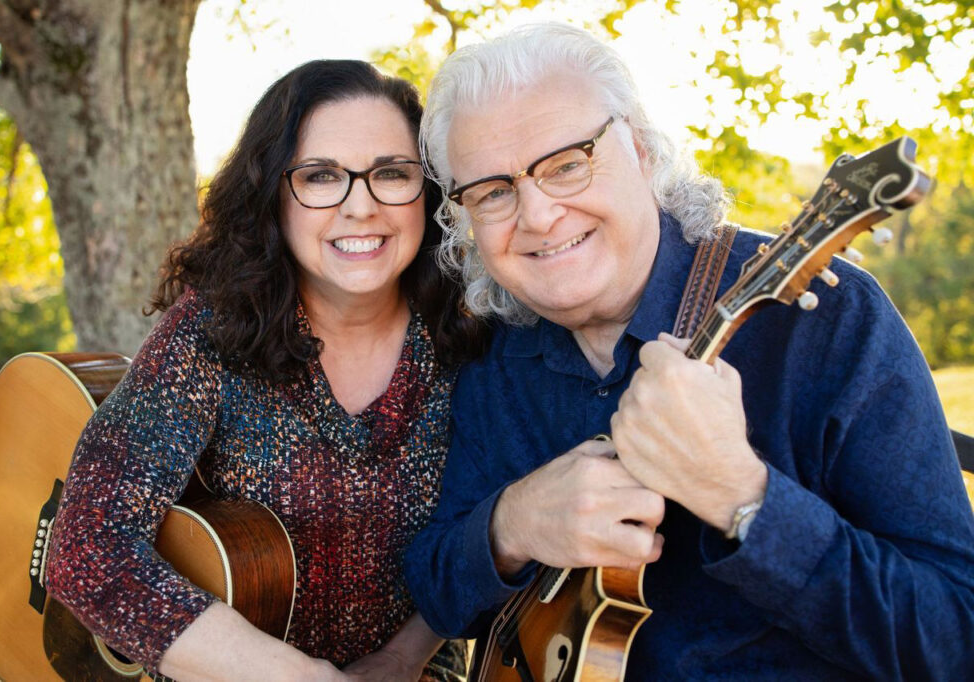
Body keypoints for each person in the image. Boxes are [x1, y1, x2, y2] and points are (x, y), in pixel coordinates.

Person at [405, 23, 974, 680]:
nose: (536, 215)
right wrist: (509, 527)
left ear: (643, 151)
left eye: (567, 163)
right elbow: (440, 594)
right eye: (495, 191)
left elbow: (953, 637)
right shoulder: (499, 359)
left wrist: (741, 495)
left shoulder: (828, 321)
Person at [45, 59, 486, 681]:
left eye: (391, 173)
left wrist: (401, 656)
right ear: (272, 194)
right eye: (321, 176)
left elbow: (489, 532)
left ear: (429, 191)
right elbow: (89, 547)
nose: (360, 206)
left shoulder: (471, 333)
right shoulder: (212, 331)